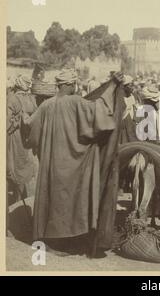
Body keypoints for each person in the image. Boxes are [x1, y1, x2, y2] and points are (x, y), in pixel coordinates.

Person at [26, 69, 125, 256]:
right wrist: (112, 86)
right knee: (68, 201)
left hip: (50, 163)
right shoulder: (77, 102)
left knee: (52, 199)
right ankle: (61, 243)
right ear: (71, 85)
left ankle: (49, 239)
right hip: (71, 164)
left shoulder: (46, 105)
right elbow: (100, 114)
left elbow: (32, 130)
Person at [7, 75, 38, 204]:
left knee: (14, 166)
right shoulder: (31, 99)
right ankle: (22, 199)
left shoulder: (12, 99)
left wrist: (15, 123)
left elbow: (6, 124)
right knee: (24, 165)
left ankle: (15, 200)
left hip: (15, 138)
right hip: (27, 138)